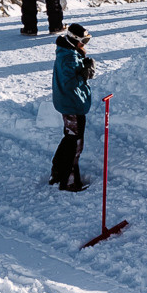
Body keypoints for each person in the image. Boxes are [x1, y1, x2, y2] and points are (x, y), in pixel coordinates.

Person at [50, 23, 96, 191]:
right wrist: (84, 74)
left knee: (69, 138)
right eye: (83, 41)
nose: (84, 45)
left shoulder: (69, 52)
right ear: (73, 40)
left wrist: (83, 68)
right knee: (75, 143)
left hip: (70, 103)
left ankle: (57, 172)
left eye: (87, 41)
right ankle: (69, 182)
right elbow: (69, 82)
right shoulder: (68, 57)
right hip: (71, 104)